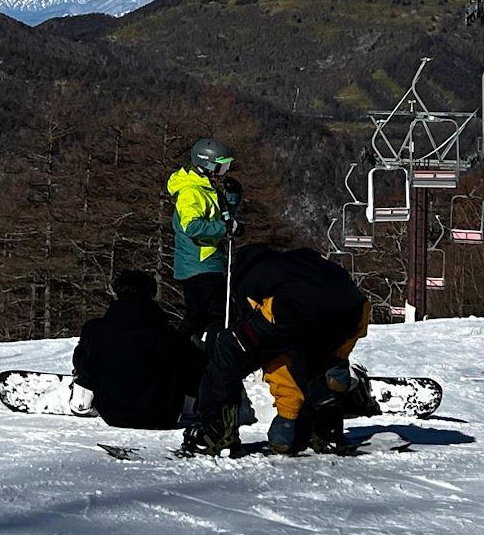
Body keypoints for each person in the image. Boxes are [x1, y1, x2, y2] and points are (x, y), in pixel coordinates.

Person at [181, 244, 374, 457]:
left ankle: (216, 433)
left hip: (292, 312)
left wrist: (287, 410)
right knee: (318, 356)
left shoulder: (251, 278)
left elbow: (268, 351)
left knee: (228, 347)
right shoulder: (299, 262)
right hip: (354, 312)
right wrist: (340, 355)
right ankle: (326, 432)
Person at [71, 269, 205, 429]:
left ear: (117, 293)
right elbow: (197, 368)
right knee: (190, 359)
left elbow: (82, 364)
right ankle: (191, 409)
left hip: (112, 414)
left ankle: (80, 401)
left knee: (86, 356)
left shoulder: (95, 330)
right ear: (152, 295)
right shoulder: (170, 335)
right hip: (163, 415)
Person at [168, 137, 244, 341]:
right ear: (206, 165)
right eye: (221, 167)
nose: (224, 172)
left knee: (201, 317)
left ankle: (185, 358)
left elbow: (224, 216)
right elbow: (191, 226)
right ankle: (207, 362)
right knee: (216, 317)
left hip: (206, 262)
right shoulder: (191, 192)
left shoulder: (206, 188)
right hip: (199, 263)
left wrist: (232, 197)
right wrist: (224, 227)